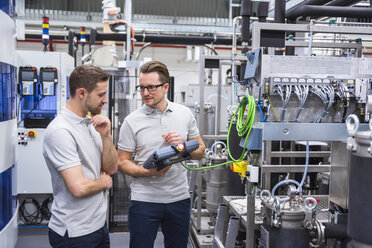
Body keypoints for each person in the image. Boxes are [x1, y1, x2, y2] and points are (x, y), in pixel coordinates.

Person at [117, 60, 206, 248]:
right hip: (144, 201)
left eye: (151, 87)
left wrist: (183, 146)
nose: (145, 93)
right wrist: (148, 172)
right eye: (141, 88)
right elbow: (122, 162)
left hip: (178, 199)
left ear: (166, 87)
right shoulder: (131, 121)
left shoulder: (184, 114)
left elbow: (201, 151)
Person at [42, 65, 118, 248]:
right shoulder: (61, 130)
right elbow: (78, 187)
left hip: (98, 225)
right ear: (82, 93)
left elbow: (111, 168)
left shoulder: (90, 124)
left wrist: (106, 137)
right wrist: (104, 183)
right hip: (74, 232)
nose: (105, 100)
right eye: (101, 95)